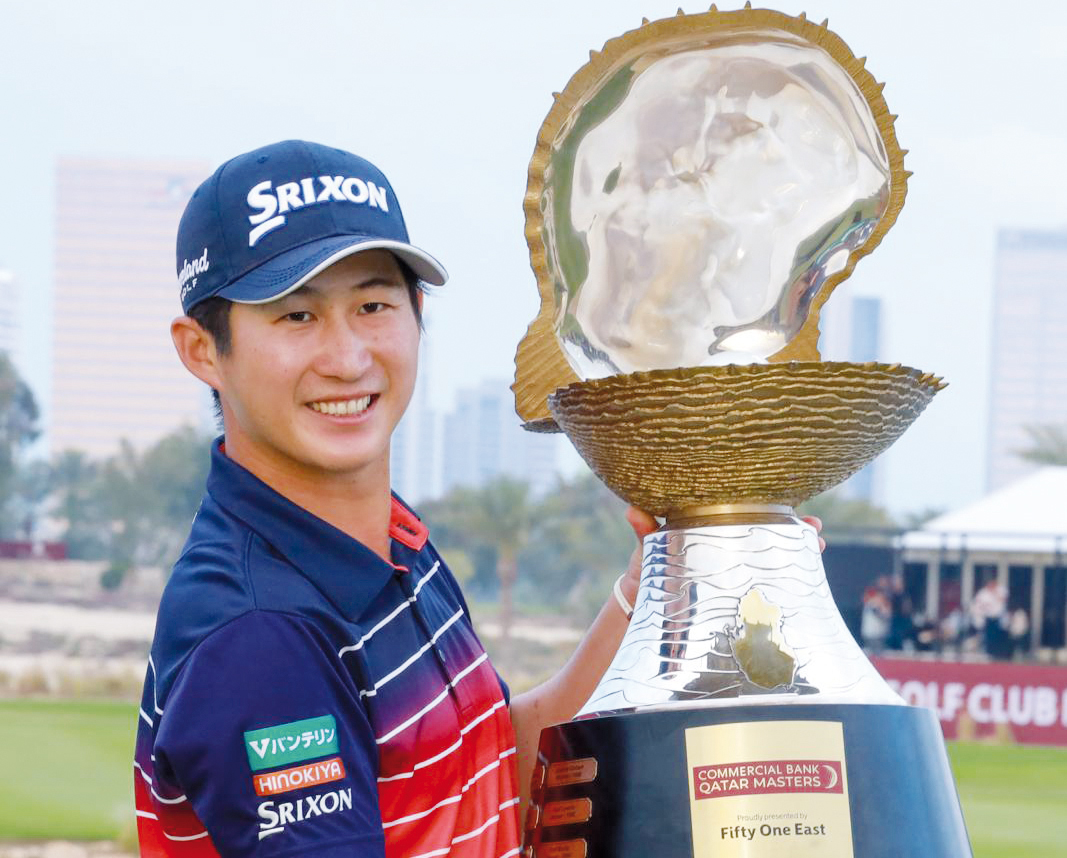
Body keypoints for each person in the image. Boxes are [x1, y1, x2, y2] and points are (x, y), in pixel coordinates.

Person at [132, 139, 658, 857]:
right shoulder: (261, 638)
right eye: (296, 316)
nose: (348, 359)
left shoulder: (392, 540)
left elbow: (490, 776)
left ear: (417, 313)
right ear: (202, 350)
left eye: (373, 305)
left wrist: (650, 588)